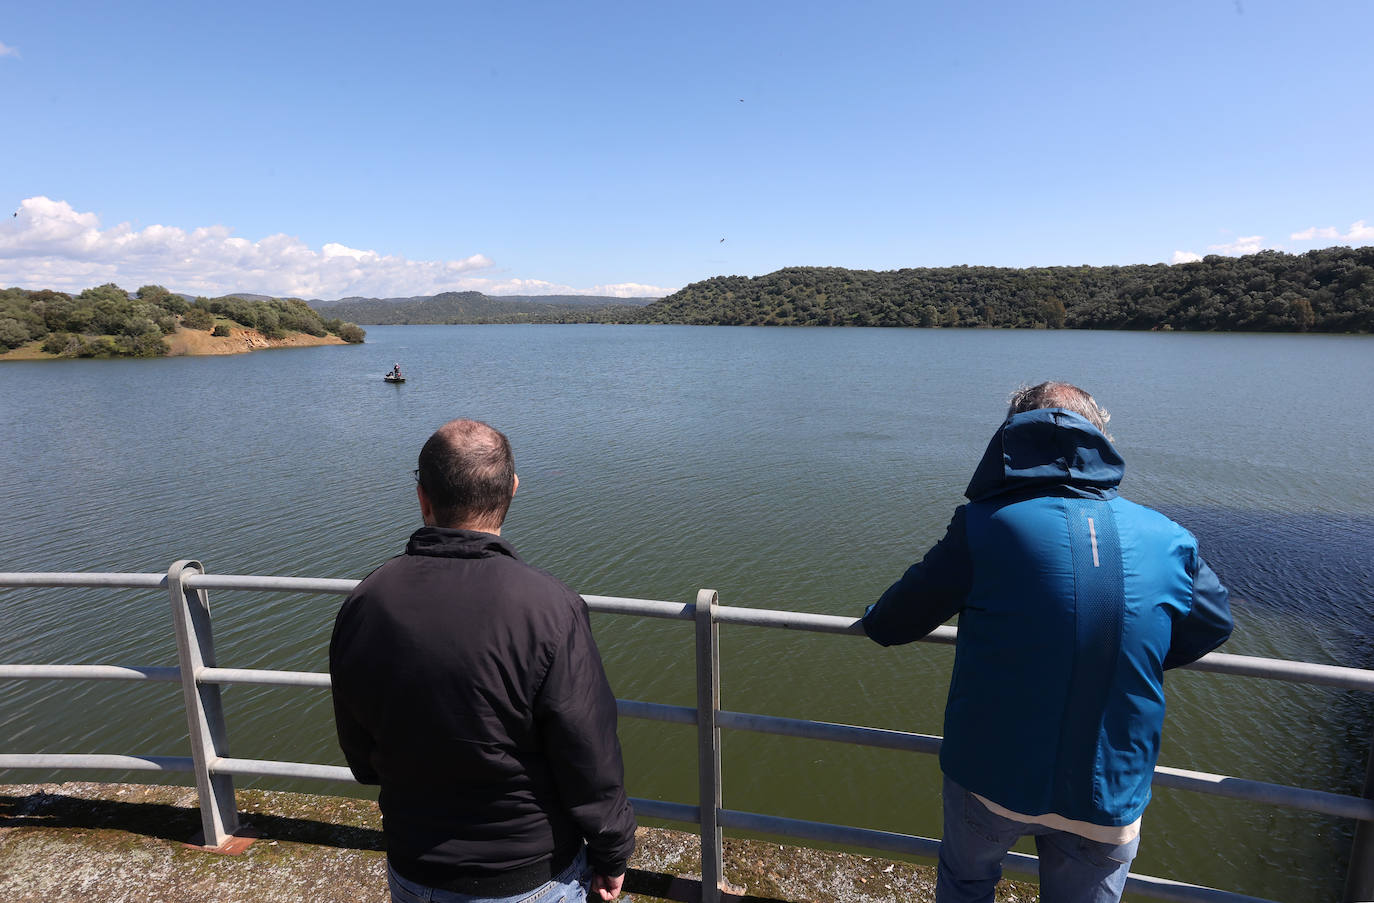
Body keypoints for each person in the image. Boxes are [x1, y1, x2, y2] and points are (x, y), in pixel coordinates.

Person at [862, 382, 1233, 903]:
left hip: (992, 775)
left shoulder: (983, 526)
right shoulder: (1169, 537)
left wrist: (871, 617)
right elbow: (1214, 624)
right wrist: (1121, 655)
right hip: (1110, 788)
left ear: (1009, 439)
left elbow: (894, 623)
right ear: (1100, 438)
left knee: (966, 884)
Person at [331, 418, 636, 903]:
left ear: (422, 497)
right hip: (529, 875)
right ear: (512, 490)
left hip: (412, 867)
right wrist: (612, 852)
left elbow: (361, 754)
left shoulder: (366, 602)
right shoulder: (549, 609)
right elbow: (588, 756)